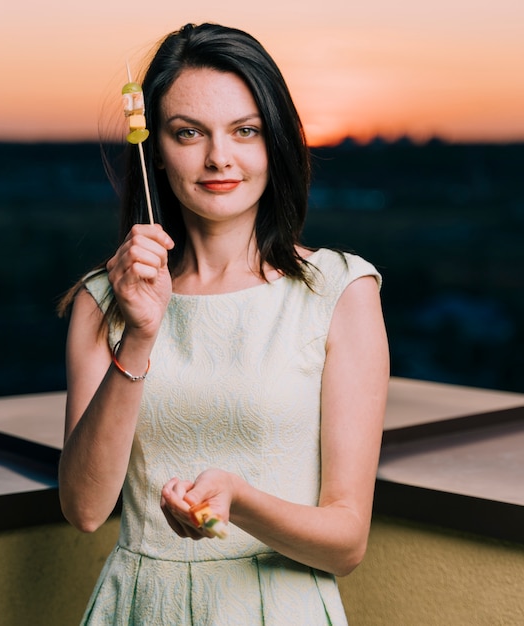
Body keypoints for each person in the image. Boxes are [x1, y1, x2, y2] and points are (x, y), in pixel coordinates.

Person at [58, 22, 389, 626]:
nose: (219, 157)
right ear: (154, 146)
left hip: (279, 610)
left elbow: (347, 543)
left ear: (276, 142)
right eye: (189, 133)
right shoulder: (101, 300)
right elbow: (84, 508)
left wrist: (240, 502)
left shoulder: (340, 292)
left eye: (245, 130)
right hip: (138, 608)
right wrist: (140, 332)